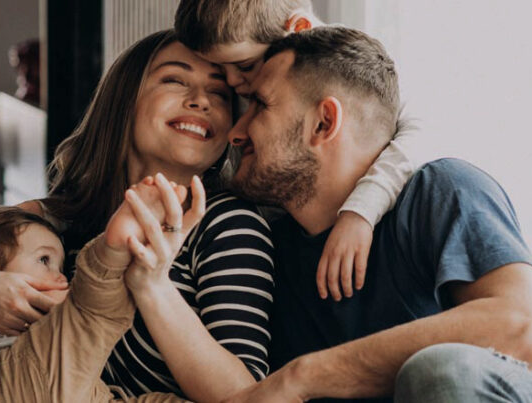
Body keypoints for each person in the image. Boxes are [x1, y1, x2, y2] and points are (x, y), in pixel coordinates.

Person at [220, 26, 532, 402]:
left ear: (323, 123)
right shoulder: (265, 252)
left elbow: (519, 329)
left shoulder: (439, 191)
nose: (235, 133)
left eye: (259, 104)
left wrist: (302, 376)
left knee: (440, 372)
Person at [0, 30, 275, 402]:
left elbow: (244, 395)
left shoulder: (228, 224)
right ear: (124, 100)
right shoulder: (52, 221)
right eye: (175, 79)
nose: (201, 101)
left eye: (219, 94)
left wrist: (152, 285)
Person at [175, 0, 420, 302]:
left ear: (299, 30)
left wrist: (359, 212)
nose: (233, 82)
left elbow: (415, 136)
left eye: (244, 66)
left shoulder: (355, 74)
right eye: (220, 70)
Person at [0, 188, 200, 402]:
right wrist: (115, 249)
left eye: (61, 266)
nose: (62, 277)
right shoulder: (18, 355)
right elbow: (92, 310)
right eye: (44, 260)